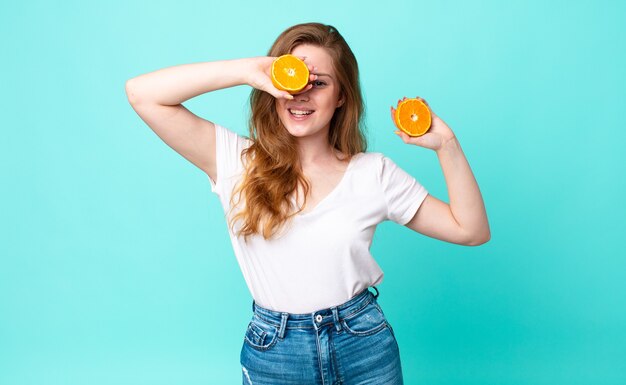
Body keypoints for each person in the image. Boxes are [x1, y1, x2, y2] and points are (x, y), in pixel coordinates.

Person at [125, 22, 489, 385]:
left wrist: (447, 145)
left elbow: (470, 230)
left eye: (318, 84)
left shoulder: (373, 174)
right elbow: (142, 94)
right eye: (293, 79)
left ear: (342, 96)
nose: (301, 94)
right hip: (275, 353)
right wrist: (249, 70)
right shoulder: (236, 161)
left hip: (362, 344)